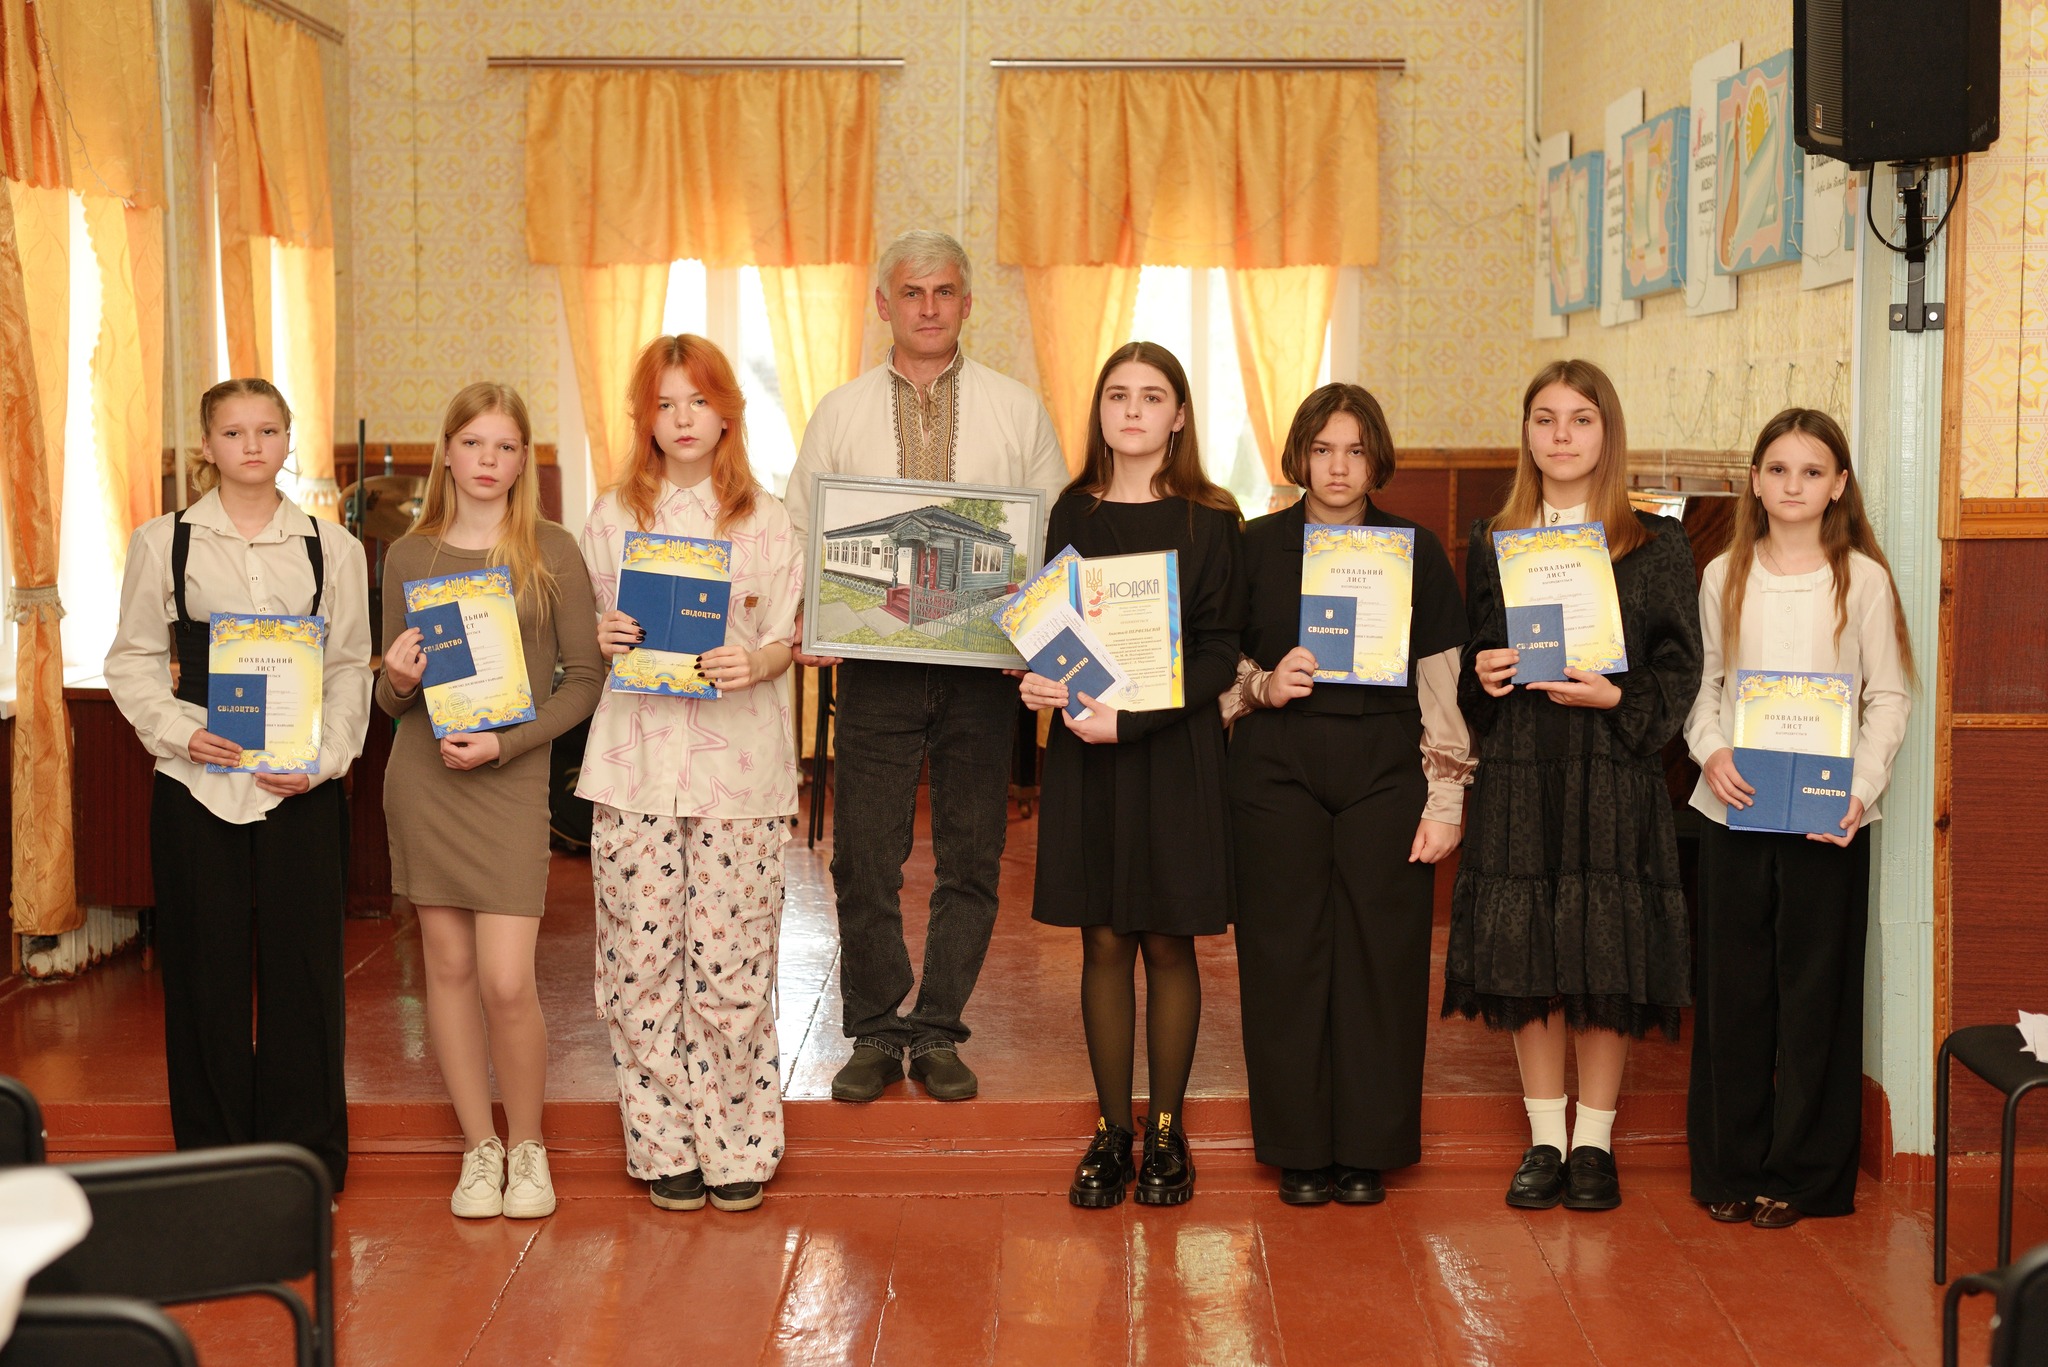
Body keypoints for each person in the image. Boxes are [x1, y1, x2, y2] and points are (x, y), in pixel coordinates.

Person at [785, 229, 1068, 1103]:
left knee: (972, 856)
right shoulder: (838, 412)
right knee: (863, 858)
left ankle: (939, 1027)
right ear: (884, 304)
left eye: (945, 291)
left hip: (987, 672)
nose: (929, 307)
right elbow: (800, 527)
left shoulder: (1018, 409)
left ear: (968, 303)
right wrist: (810, 615)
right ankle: (875, 1028)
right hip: (876, 667)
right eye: (912, 292)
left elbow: (1054, 532)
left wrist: (1041, 639)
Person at [1446, 359, 1702, 1213]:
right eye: (1546, 419)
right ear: (1526, 434)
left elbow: (1681, 670)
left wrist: (1617, 697)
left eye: (1581, 419)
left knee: (1602, 948)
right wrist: (1484, 673)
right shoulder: (1492, 539)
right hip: (1522, 764)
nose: (1561, 435)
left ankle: (1594, 1140)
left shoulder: (1657, 543)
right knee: (1528, 947)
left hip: (1611, 767)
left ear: (1607, 432)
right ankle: (1545, 1137)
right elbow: (1476, 659)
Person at [105, 377, 372, 1193]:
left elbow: (349, 668)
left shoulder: (335, 548)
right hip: (196, 786)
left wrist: (324, 761)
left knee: (305, 975)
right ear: (206, 446)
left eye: (267, 430)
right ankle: (214, 1165)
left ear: (288, 440)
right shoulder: (163, 542)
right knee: (202, 975)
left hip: (301, 788)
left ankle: (305, 1162)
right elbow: (133, 660)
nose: (252, 445)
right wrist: (182, 732)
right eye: (233, 432)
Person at [1224, 384, 1472, 1206]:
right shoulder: (1253, 545)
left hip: (1385, 766)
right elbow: (1214, 667)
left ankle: (1370, 1146)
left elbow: (1442, 680)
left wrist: (1446, 798)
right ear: (1299, 454)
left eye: (1356, 450)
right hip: (1276, 765)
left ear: (1377, 459)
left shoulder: (1416, 548)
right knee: (1282, 954)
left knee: (1382, 957)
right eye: (1323, 449)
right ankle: (1296, 1145)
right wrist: (1263, 683)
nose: (1338, 466)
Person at [579, 334, 803, 1214]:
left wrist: (761, 660)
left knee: (732, 960)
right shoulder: (610, 517)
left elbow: (787, 639)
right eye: (665, 404)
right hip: (632, 766)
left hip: (739, 772)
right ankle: (664, 1143)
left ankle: (737, 1144)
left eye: (698, 401)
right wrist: (604, 635)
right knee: (638, 965)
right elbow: (594, 635)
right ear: (646, 417)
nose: (682, 419)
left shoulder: (767, 519)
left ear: (726, 413)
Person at [1020, 342, 1244, 1207]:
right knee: (1104, 938)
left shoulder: (1210, 518)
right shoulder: (1072, 511)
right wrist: (1041, 679)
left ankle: (1168, 1131)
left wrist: (1134, 719)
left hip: (1174, 751)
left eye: (1153, 396)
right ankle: (1113, 1130)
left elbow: (1219, 652)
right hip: (1088, 748)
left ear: (1179, 415)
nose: (1134, 410)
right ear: (1101, 411)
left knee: (1166, 937)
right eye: (1118, 395)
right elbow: (1054, 629)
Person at [376, 382, 603, 1220]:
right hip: (425, 777)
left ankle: (528, 1144)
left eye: (505, 446)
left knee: (508, 982)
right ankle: (479, 1148)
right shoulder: (408, 556)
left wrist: (505, 745)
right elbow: (391, 702)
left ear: (522, 460)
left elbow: (585, 680)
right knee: (447, 969)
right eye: (473, 443)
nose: (487, 460)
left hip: (508, 779)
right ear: (447, 451)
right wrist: (398, 678)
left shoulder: (552, 550)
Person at [1684, 408, 1913, 1229]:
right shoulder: (1723, 573)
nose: (1793, 485)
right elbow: (1705, 686)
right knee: (1733, 992)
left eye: (1811, 471)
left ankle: (1806, 1174)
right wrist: (1711, 749)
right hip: (1735, 807)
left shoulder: (1865, 579)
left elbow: (1889, 697)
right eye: (1778, 469)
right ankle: (1729, 1167)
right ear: (1755, 480)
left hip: (1827, 816)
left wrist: (1860, 787)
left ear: (1838, 485)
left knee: (1816, 995)